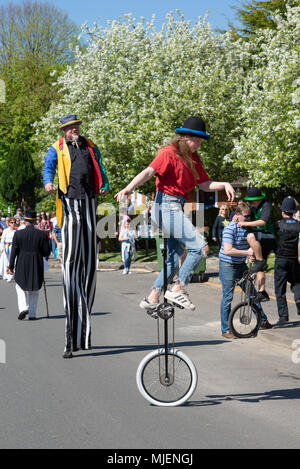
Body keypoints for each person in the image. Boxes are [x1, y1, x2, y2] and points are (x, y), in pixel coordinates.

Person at [115, 116, 235, 313]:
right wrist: (129, 188)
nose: (199, 145)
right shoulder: (168, 153)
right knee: (200, 248)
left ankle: (152, 296)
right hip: (165, 206)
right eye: (196, 141)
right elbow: (148, 172)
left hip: (175, 207)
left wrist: (224, 184)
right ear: (185, 137)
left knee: (175, 258)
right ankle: (177, 288)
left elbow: (205, 185)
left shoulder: (194, 159)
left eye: (201, 142)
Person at [43, 114, 109, 358]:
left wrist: (105, 183)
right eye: (70, 128)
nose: (75, 130)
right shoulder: (57, 148)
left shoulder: (89, 145)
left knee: (90, 265)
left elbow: (99, 165)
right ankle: (70, 341)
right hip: (70, 203)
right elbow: (48, 168)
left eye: (76, 127)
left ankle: (84, 337)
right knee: (70, 266)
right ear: (64, 131)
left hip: (89, 202)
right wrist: (48, 182)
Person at [219, 202, 272, 339]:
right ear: (237, 215)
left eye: (250, 216)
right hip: (227, 266)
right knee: (227, 297)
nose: (248, 219)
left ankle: (262, 321)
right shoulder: (230, 228)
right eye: (246, 216)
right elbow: (228, 250)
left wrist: (253, 254)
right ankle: (225, 330)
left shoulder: (247, 228)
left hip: (241, 265)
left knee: (252, 294)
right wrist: (246, 252)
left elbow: (251, 239)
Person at [7, 210, 51, 320]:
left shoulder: (18, 234)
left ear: (25, 221)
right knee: (34, 289)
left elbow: (14, 252)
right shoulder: (41, 234)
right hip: (36, 262)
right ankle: (32, 313)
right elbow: (46, 252)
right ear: (35, 221)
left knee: (20, 286)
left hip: (22, 261)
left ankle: (23, 308)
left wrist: (11, 266)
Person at [239, 187, 276, 302]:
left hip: (269, 235)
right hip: (260, 237)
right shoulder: (252, 206)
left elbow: (263, 221)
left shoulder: (266, 205)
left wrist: (246, 224)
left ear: (258, 200)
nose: (250, 203)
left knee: (251, 236)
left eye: (252, 201)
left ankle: (260, 262)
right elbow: (243, 211)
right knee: (260, 267)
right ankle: (262, 292)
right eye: (249, 201)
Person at [274, 196, 300, 326]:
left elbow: (273, 241)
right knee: (296, 282)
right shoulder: (299, 225)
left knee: (280, 290)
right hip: (295, 259)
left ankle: (283, 318)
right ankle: (298, 297)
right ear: (294, 211)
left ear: (283, 211)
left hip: (281, 259)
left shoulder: (278, 225)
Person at [0, 217, 16, 282]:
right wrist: (2, 248)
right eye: (11, 222)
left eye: (14, 222)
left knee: (13, 261)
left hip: (13, 247)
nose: (13, 224)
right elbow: (2, 240)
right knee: (6, 261)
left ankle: (11, 275)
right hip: (7, 247)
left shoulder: (16, 231)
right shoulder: (6, 230)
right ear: (9, 223)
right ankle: (6, 274)